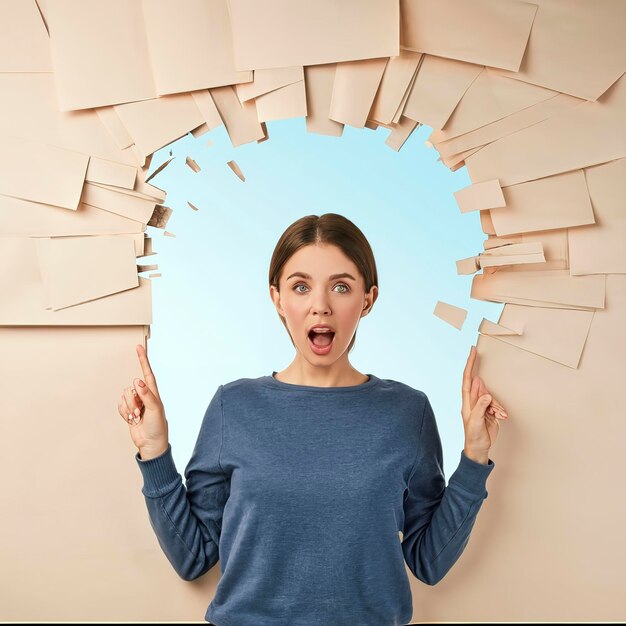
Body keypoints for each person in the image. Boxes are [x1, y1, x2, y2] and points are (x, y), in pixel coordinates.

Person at [117, 213, 508, 626]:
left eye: (341, 287)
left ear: (368, 299)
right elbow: (192, 557)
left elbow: (429, 561)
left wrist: (475, 458)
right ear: (277, 299)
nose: (320, 306)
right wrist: (154, 451)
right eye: (300, 287)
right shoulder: (233, 406)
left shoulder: (408, 412)